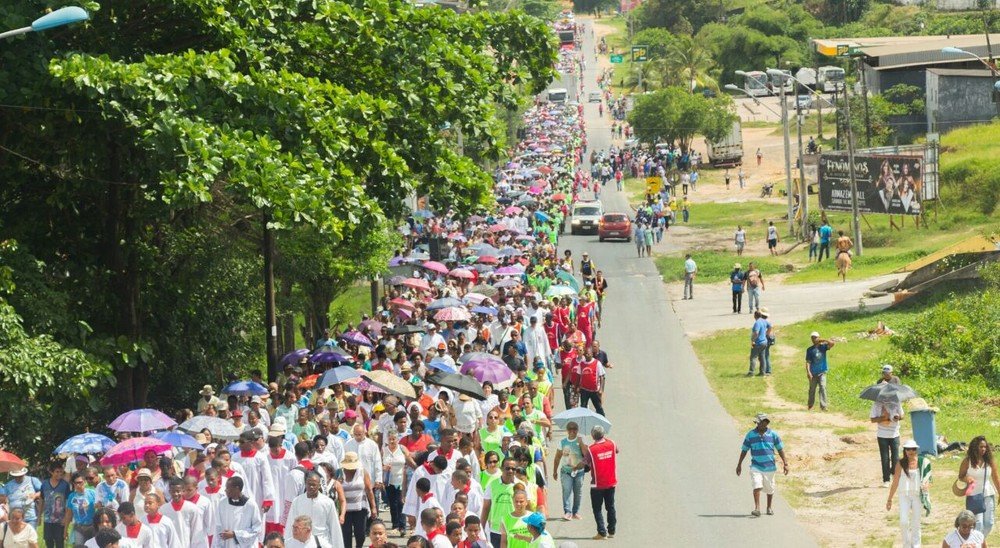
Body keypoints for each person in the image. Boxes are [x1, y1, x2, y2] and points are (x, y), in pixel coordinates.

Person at [736, 413, 789, 517]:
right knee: (757, 485)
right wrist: (739, 464)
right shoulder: (750, 435)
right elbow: (744, 450)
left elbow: (780, 449)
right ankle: (757, 508)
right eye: (761, 422)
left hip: (770, 467)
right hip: (756, 466)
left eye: (765, 422)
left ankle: (769, 507)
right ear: (757, 423)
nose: (764, 424)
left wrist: (785, 463)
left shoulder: (773, 435)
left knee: (770, 488)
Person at [886, 439, 932, 548]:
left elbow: (929, 480)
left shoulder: (924, 462)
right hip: (904, 495)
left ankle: (916, 545)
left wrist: (926, 486)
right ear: (905, 450)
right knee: (903, 522)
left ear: (916, 450)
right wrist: (890, 499)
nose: (911, 451)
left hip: (917, 495)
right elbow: (895, 482)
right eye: (908, 449)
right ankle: (906, 545)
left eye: (913, 449)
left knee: (916, 523)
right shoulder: (900, 463)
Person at [285, 472, 343, 548]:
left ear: (319, 486)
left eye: (314, 484)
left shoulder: (328, 502)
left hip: (323, 542)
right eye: (309, 484)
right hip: (302, 543)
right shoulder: (297, 501)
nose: (311, 487)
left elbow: (334, 527)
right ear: (305, 484)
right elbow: (290, 524)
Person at [959, 436, 1000, 536]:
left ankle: (979, 542)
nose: (983, 449)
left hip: (988, 494)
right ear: (974, 447)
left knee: (989, 523)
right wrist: (967, 479)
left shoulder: (989, 461)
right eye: (981, 447)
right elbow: (961, 476)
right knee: (978, 524)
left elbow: (996, 478)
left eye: (985, 447)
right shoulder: (967, 461)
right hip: (973, 496)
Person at [585, 426, 617, 540]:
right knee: (610, 507)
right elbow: (616, 451)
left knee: (597, 508)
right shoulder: (612, 443)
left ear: (593, 436)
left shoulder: (591, 449)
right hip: (611, 482)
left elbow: (585, 464)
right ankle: (612, 531)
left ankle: (602, 532)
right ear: (603, 434)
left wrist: (576, 467)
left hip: (597, 484)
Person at [340, 452, 376, 548]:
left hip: (360, 507)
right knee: (346, 535)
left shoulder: (362, 472)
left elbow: (369, 490)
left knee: (360, 534)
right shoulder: (339, 473)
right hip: (345, 510)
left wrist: (373, 507)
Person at [216, 476, 263, 548]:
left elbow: (256, 529)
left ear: (237, 489)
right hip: (227, 544)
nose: (225, 490)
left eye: (228, 488)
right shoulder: (222, 503)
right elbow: (218, 526)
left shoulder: (251, 505)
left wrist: (235, 534)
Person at [553, 421, 587, 521]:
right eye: (570, 429)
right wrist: (554, 471)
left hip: (579, 472)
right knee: (566, 491)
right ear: (567, 430)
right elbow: (557, 457)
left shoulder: (581, 440)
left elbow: (586, 455)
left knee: (578, 492)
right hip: (566, 472)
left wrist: (581, 443)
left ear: (577, 430)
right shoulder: (562, 442)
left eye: (574, 429)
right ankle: (567, 512)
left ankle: (575, 512)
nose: (572, 431)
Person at [871, 396, 904, 486]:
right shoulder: (877, 404)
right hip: (882, 435)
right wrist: (884, 418)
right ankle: (886, 480)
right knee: (885, 458)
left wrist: (897, 417)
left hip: (895, 434)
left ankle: (894, 473)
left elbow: (902, 415)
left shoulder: (897, 401)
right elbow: (872, 419)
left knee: (896, 457)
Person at [41, 461, 71, 548]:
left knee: (60, 543)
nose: (59, 474)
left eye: (61, 472)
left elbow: (68, 502)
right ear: (51, 472)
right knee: (49, 542)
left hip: (60, 520)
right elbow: (42, 500)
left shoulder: (65, 485)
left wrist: (66, 518)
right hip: (47, 520)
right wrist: (39, 516)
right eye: (57, 472)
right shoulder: (44, 484)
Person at [65, 471, 98, 547]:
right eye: (75, 483)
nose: (78, 485)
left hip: (92, 526)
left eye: (80, 482)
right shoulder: (72, 496)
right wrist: (65, 530)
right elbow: (68, 514)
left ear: (85, 482)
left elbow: (99, 508)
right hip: (78, 527)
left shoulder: (92, 493)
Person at [805, 332, 835, 411]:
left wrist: (824, 340)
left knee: (823, 387)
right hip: (813, 373)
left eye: (815, 337)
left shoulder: (823, 347)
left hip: (822, 372)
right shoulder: (810, 350)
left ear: (819, 337)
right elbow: (808, 362)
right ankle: (810, 405)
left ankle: (824, 406)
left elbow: (832, 344)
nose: (814, 339)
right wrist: (808, 372)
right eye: (812, 338)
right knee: (812, 389)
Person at [748, 309, 772, 377]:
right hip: (764, 342)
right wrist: (767, 334)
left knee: (753, 357)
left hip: (758, 343)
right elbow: (770, 327)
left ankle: (751, 372)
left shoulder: (757, 323)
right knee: (762, 358)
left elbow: (756, 332)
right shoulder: (764, 321)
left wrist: (752, 340)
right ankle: (762, 372)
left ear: (755, 316)